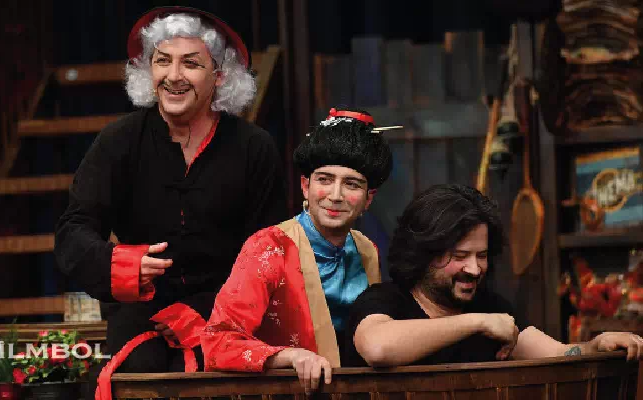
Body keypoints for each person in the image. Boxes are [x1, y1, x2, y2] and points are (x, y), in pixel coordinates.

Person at [52, 6, 288, 399]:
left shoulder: (254, 148)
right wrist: (124, 265)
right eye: (162, 61)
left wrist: (208, 309)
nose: (173, 76)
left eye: (190, 63)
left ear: (220, 75)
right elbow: (73, 232)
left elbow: (270, 253)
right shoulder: (118, 141)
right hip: (141, 318)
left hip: (230, 317)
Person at [346, 183, 643, 367]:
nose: (474, 269)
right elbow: (378, 348)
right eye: (460, 256)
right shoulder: (386, 299)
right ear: (423, 255)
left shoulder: (492, 307)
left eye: (482, 256)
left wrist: (595, 346)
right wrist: (477, 323)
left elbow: (559, 355)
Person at [202, 108, 393, 393]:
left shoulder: (367, 250)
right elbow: (218, 343)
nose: (336, 195)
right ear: (305, 186)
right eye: (324, 180)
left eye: (351, 184)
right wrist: (290, 356)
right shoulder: (269, 247)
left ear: (368, 199)